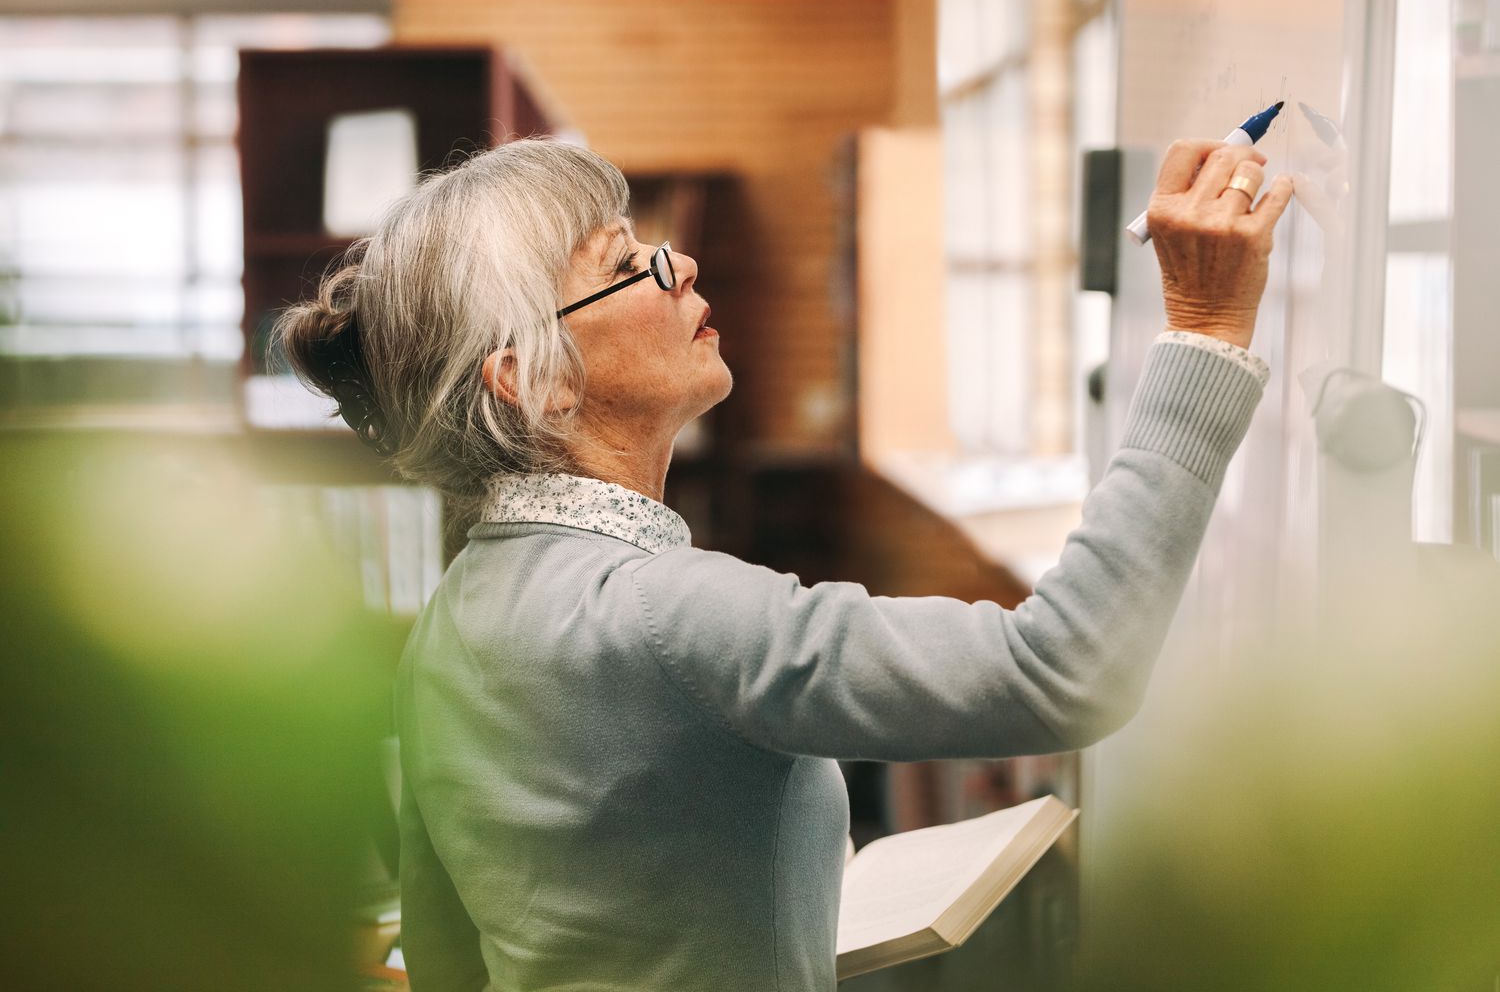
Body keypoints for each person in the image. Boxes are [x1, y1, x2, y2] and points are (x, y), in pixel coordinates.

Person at [274, 136, 1293, 991]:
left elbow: (453, 962)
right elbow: (1062, 666)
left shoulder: (452, 619)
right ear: (535, 384)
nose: (681, 267)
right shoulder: (668, 613)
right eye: (626, 265)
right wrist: (1202, 338)